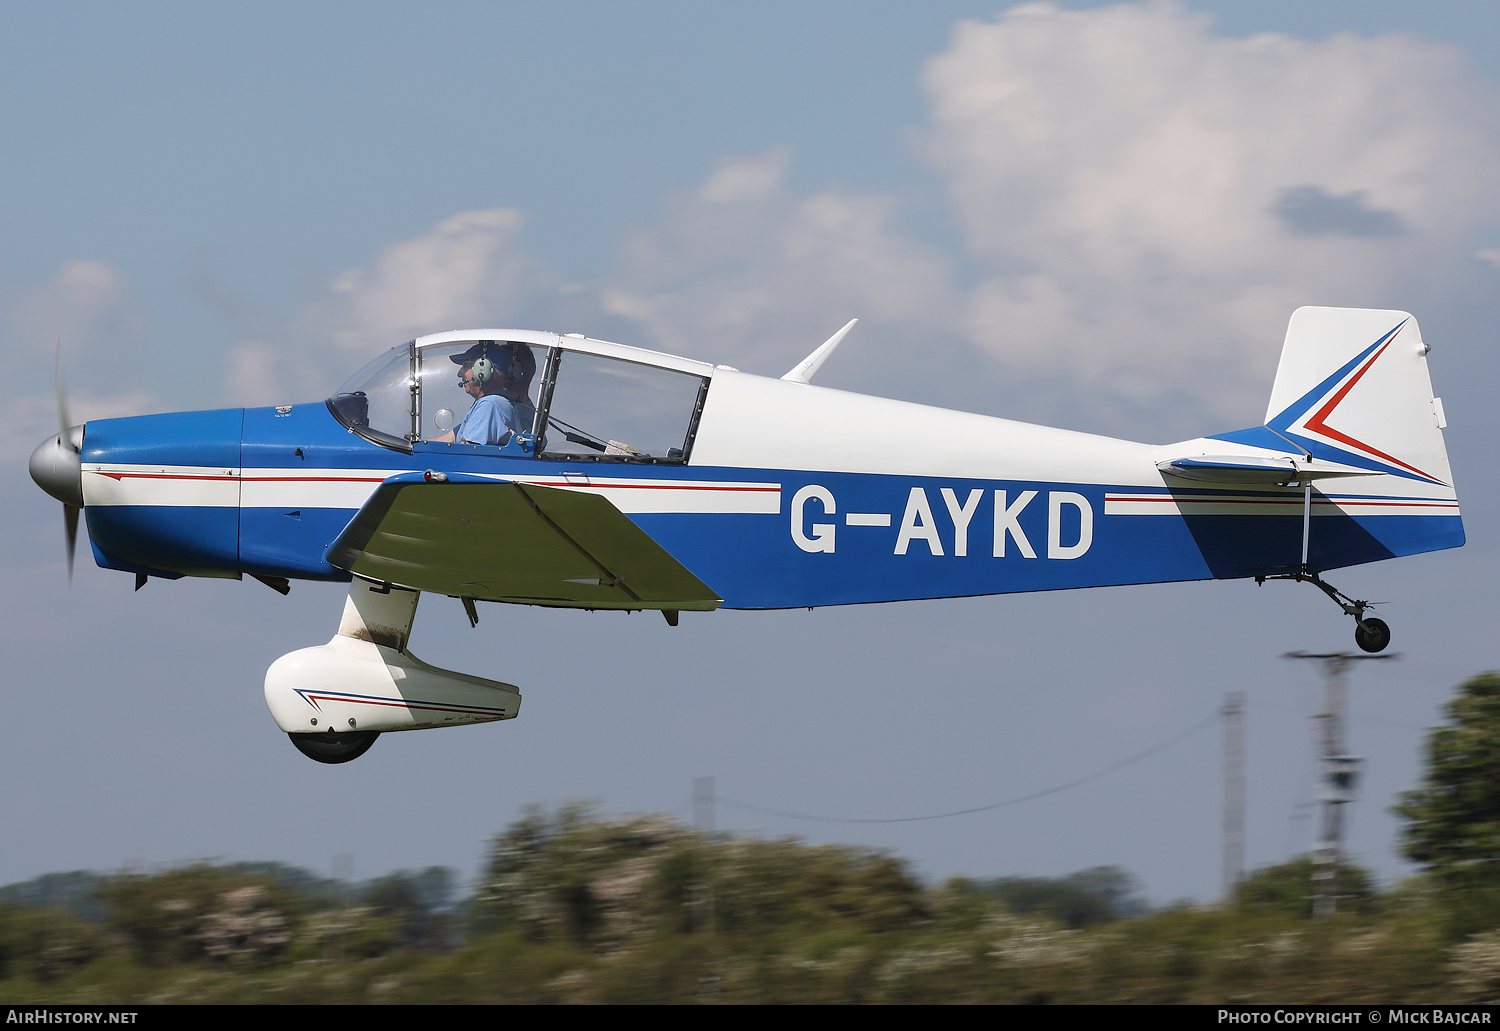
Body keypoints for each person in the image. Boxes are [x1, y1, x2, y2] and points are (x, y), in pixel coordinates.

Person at [431, 342, 517, 446]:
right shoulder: (486, 406)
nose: (459, 373)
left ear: (483, 369)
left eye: (465, 366)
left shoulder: (490, 405)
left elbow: (467, 451)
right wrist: (411, 446)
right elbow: (446, 440)